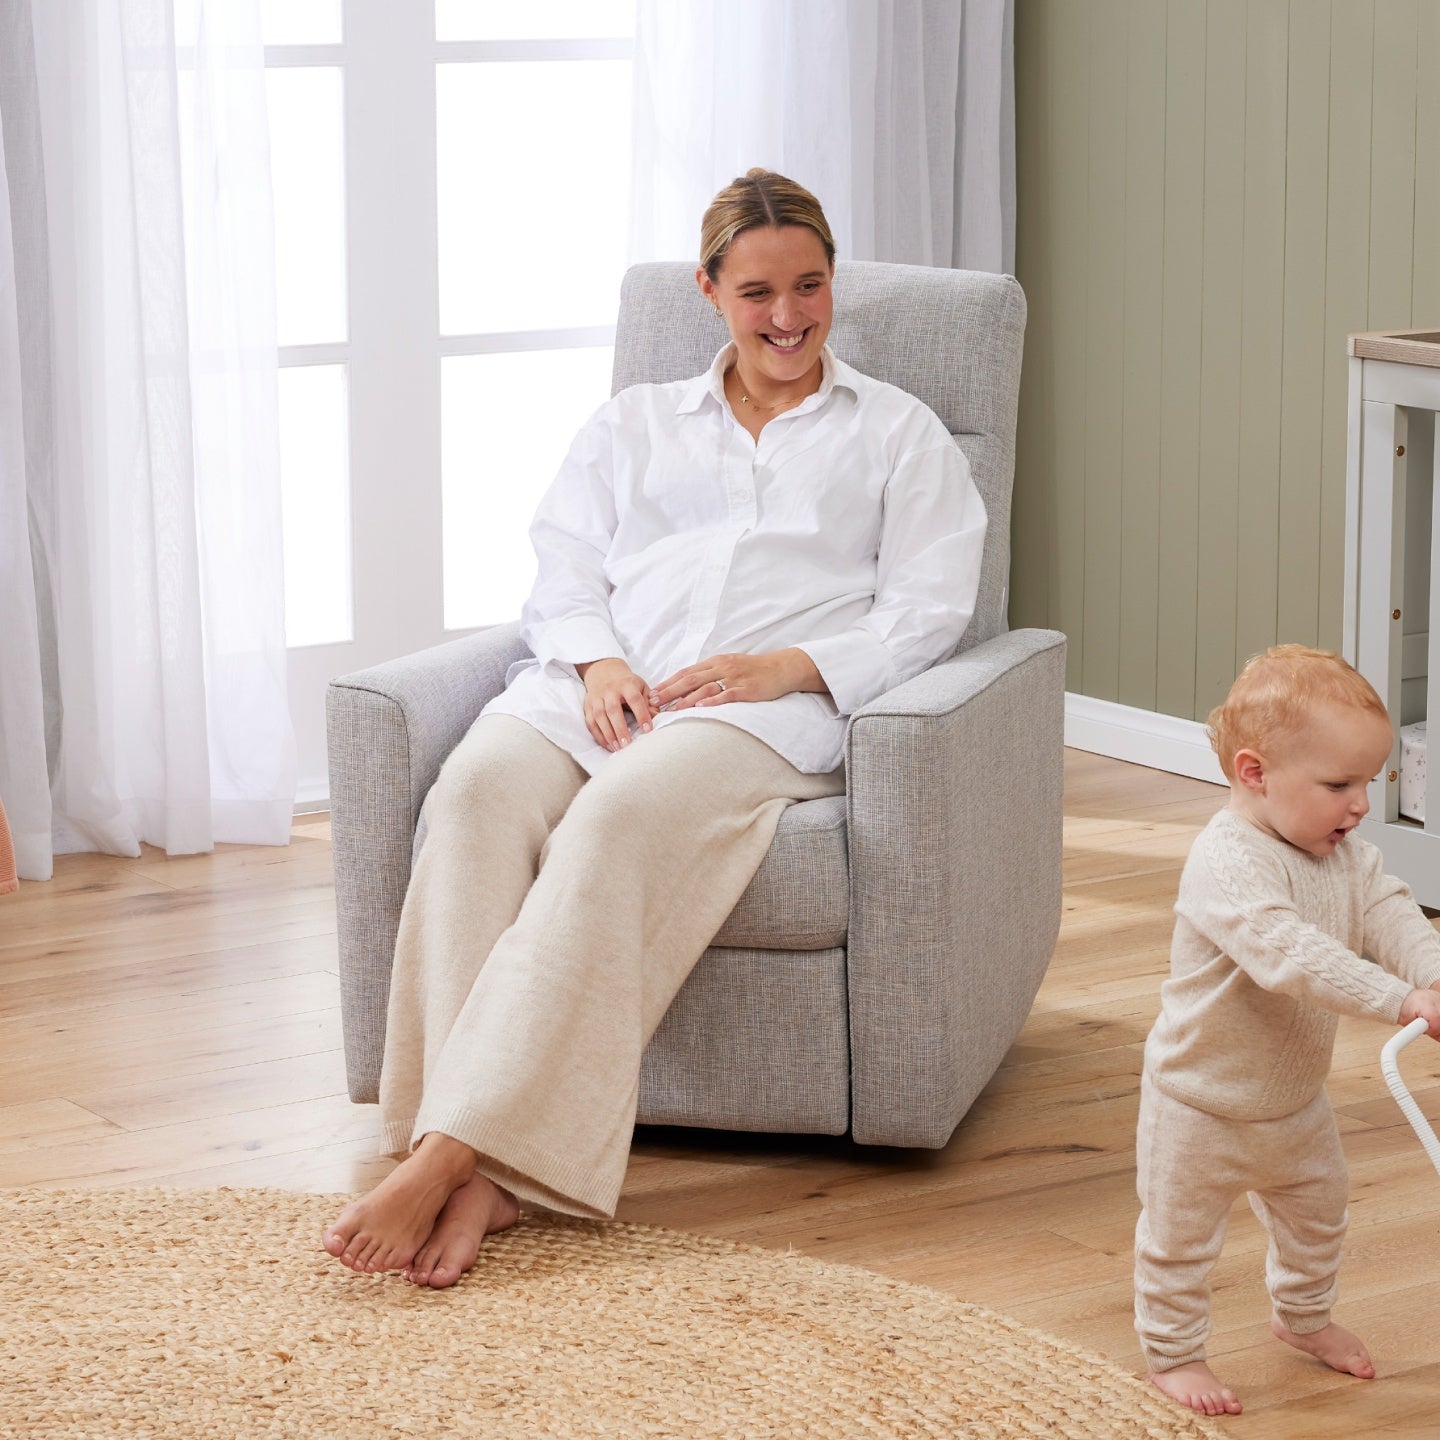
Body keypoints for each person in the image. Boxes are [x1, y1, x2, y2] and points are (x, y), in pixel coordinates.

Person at [322, 169, 988, 1288]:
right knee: (477, 794)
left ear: (837, 284)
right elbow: (563, 565)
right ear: (710, 291)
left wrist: (788, 665)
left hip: (762, 717)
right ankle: (467, 1165)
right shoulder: (634, 424)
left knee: (615, 823)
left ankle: (446, 1158)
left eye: (812, 285)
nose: (789, 316)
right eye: (760, 291)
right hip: (590, 691)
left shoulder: (898, 434)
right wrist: (598, 661)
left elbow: (932, 608)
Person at [1135, 644, 1440, 1417]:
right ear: (1254, 772)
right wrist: (1399, 1000)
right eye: (1339, 784)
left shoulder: (1347, 856)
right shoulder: (1227, 862)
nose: (1361, 804)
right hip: (1199, 1102)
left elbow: (1391, 912)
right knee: (1179, 1241)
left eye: (1368, 782)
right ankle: (1174, 1355)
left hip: (1293, 1101)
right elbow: (1289, 956)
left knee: (1319, 1216)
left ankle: (1301, 1319)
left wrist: (1431, 975)